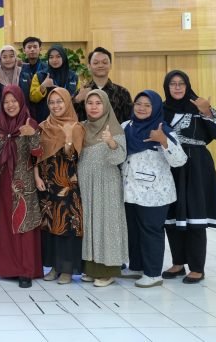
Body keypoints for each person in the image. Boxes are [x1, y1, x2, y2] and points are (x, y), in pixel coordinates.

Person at [162, 70, 216, 284]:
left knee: (195, 214)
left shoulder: (199, 106)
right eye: (173, 83)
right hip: (170, 166)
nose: (177, 87)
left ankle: (197, 267)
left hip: (197, 167)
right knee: (172, 215)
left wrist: (206, 112)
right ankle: (178, 263)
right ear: (167, 87)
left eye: (181, 83)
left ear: (187, 85)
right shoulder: (161, 110)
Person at [122, 90, 186, 288]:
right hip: (129, 190)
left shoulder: (163, 129)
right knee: (133, 231)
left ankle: (153, 273)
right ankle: (137, 267)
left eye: (147, 105)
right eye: (138, 104)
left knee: (150, 231)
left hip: (155, 192)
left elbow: (179, 160)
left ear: (156, 108)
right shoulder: (126, 126)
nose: (141, 108)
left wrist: (163, 140)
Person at [0, 85, 42, 288]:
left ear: (21, 101)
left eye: (14, 101)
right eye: (6, 102)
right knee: (3, 225)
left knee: (23, 224)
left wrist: (32, 135)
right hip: (1, 183)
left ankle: (26, 270)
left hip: (24, 183)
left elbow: (38, 155)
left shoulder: (30, 123)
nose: (10, 105)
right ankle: (5, 267)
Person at [78, 89, 128, 287]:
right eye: (90, 103)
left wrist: (111, 143)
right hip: (86, 184)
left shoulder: (114, 128)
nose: (94, 107)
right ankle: (92, 268)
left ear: (106, 105)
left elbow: (120, 158)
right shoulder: (82, 127)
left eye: (98, 103)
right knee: (90, 224)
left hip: (107, 184)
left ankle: (108, 271)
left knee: (107, 225)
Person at [35, 88, 85, 285]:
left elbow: (73, 157)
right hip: (47, 186)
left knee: (66, 227)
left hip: (67, 186)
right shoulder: (43, 126)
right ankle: (54, 267)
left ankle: (67, 269)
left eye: (59, 101)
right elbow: (35, 155)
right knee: (50, 226)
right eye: (52, 102)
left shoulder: (76, 127)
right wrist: (36, 176)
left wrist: (68, 137)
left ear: (67, 103)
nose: (55, 106)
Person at [73, 47, 132, 123]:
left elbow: (129, 122)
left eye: (104, 62)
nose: (100, 65)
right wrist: (77, 100)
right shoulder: (81, 92)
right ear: (89, 66)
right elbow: (69, 117)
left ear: (110, 65)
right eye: (96, 63)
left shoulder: (122, 92)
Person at [29, 44, 79, 122]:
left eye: (58, 56)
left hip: (68, 120)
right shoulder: (40, 75)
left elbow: (76, 98)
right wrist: (43, 86)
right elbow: (33, 98)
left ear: (63, 58)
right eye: (51, 57)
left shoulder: (73, 77)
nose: (54, 60)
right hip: (45, 121)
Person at [18, 37, 46, 118]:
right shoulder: (19, 69)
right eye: (29, 47)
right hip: (24, 110)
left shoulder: (46, 68)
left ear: (40, 49)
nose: (32, 49)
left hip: (42, 110)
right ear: (24, 50)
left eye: (35, 47)